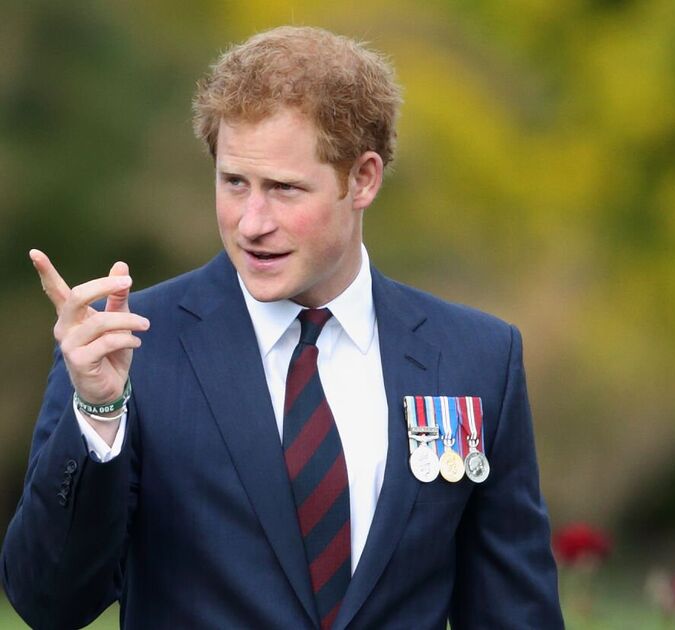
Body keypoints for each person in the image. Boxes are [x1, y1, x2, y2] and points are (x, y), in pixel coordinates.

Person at [2, 26, 563, 629]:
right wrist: (97, 414)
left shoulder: (477, 357)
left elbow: (515, 613)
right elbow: (48, 604)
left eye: (284, 189)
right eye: (234, 182)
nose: (251, 222)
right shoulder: (128, 345)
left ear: (363, 179)